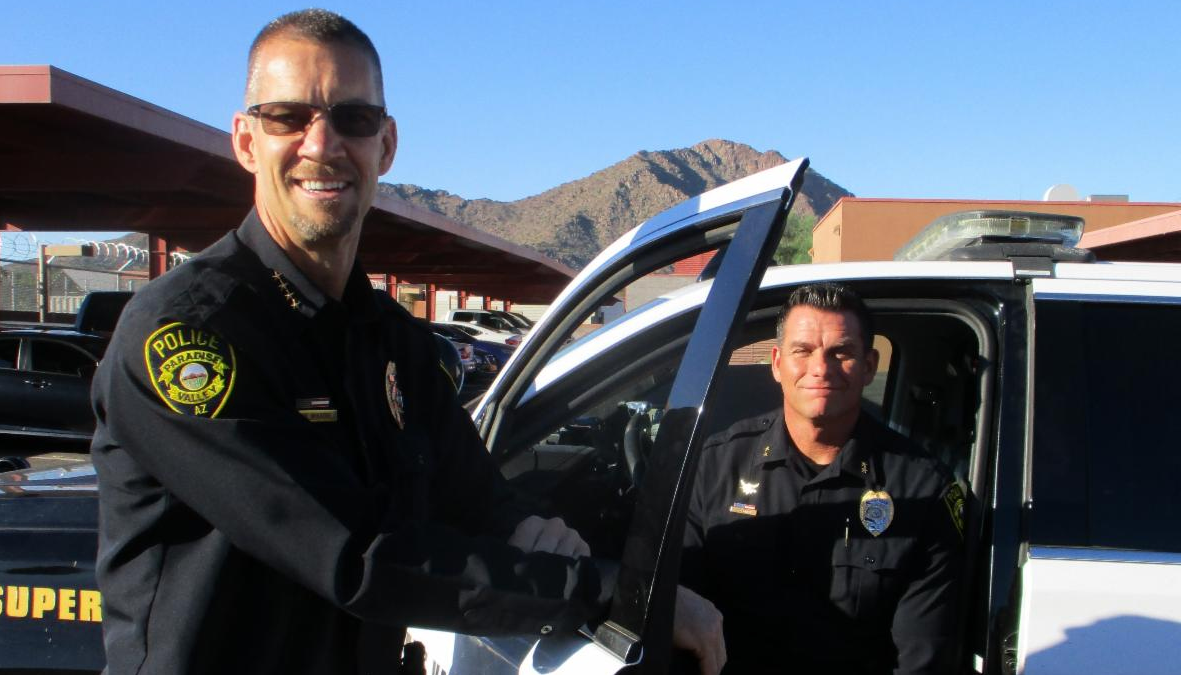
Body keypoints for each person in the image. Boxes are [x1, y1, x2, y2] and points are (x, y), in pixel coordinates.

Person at [91, 10, 611, 673]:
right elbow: (357, 555)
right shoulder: (189, 334)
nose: (322, 143)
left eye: (353, 120)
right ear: (247, 141)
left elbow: (475, 495)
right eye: (287, 117)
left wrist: (532, 532)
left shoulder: (395, 344)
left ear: (386, 146)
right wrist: (593, 589)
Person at [677, 282, 965, 674]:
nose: (821, 368)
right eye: (803, 351)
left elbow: (922, 660)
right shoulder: (715, 467)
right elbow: (676, 613)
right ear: (777, 363)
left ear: (868, 366)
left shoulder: (921, 489)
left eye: (841, 352)